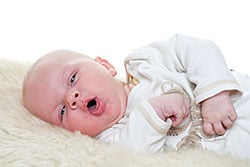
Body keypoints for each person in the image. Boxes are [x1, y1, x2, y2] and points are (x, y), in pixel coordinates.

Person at [22, 34, 250, 159]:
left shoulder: (145, 63)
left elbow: (198, 48)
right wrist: (154, 111)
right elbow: (138, 156)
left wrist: (214, 94)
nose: (72, 98)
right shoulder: (112, 139)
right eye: (62, 111)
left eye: (72, 78)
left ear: (105, 65)